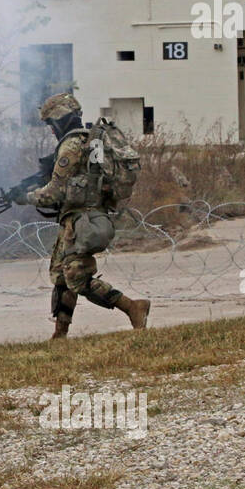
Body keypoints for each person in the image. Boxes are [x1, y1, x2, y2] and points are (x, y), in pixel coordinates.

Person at [13, 93, 150, 339]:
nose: (51, 130)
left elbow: (52, 193)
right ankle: (60, 333)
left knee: (76, 276)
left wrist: (26, 197)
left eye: (50, 124)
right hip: (80, 217)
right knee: (61, 274)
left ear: (58, 121)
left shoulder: (71, 145)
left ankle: (132, 306)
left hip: (82, 221)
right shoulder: (88, 140)